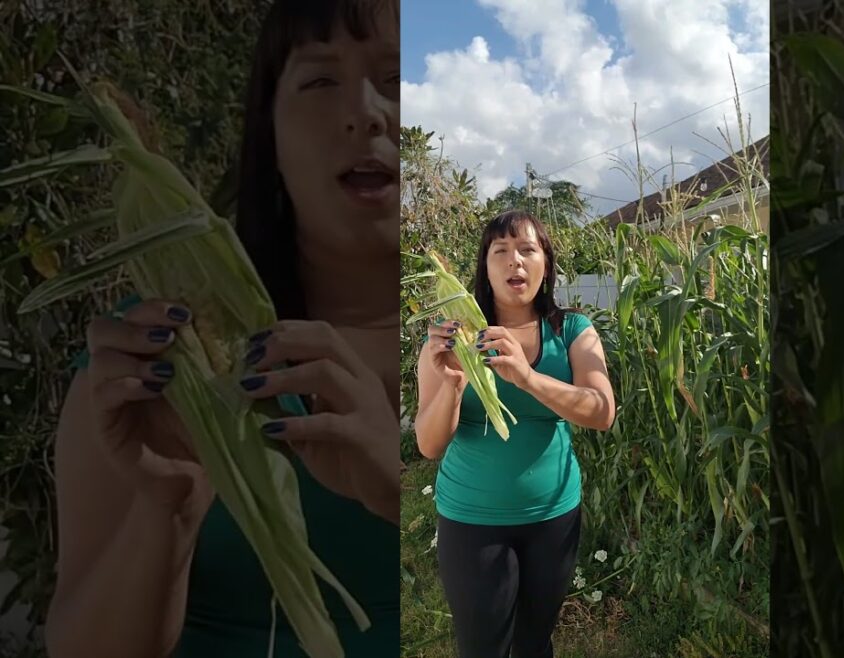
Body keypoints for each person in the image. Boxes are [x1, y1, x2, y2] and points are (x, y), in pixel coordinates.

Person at [43, 1, 401, 656]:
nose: (366, 113)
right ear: (270, 135)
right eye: (321, 81)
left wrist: (400, 493)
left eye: (400, 81)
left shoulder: (499, 345)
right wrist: (169, 509)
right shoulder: (142, 363)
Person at [414, 209, 616, 658]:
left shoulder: (573, 331)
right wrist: (451, 384)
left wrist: (527, 377)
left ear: (546, 263)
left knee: (534, 642)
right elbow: (428, 445)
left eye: (527, 249)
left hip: (553, 516)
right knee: (482, 647)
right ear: (484, 268)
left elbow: (602, 412)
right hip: (472, 520)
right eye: (500, 251)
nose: (515, 261)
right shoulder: (450, 341)